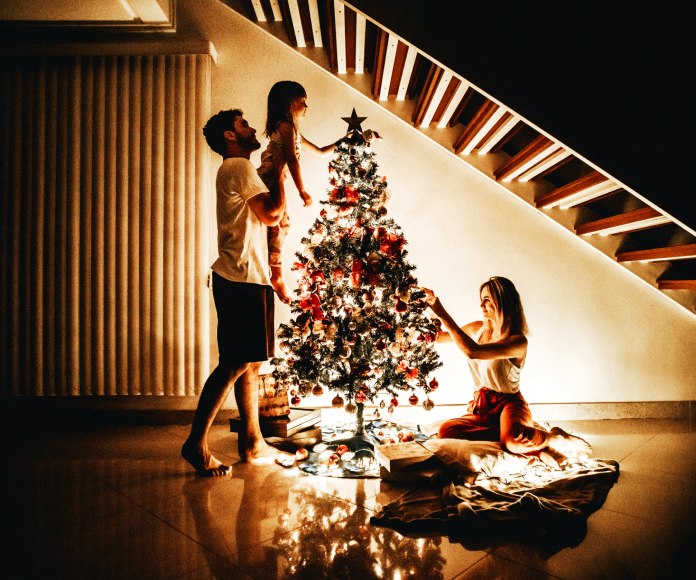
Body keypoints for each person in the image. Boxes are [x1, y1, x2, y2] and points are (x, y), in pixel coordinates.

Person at [181, 109, 294, 476]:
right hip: (240, 277)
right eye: (242, 125)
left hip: (250, 276)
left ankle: (252, 441)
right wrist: (279, 169)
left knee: (249, 360)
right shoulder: (238, 168)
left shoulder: (238, 171)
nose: (249, 129)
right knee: (234, 361)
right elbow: (273, 214)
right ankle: (196, 443)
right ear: (230, 136)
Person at [423, 276, 592, 468]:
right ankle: (517, 435)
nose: (481, 304)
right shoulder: (477, 328)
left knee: (512, 441)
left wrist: (441, 310)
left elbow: (473, 352)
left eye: (487, 299)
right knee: (446, 431)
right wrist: (426, 309)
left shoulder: (517, 341)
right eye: (481, 298)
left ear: (503, 302)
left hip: (509, 404)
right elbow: (438, 338)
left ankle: (553, 438)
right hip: (483, 405)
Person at [257, 80, 334, 304]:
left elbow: (320, 152)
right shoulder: (285, 127)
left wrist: (345, 140)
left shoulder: (292, 129)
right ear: (289, 103)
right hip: (269, 178)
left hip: (273, 179)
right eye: (302, 102)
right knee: (281, 224)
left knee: (280, 225)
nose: (306, 107)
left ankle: (275, 272)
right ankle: (276, 274)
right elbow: (291, 159)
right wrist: (303, 191)